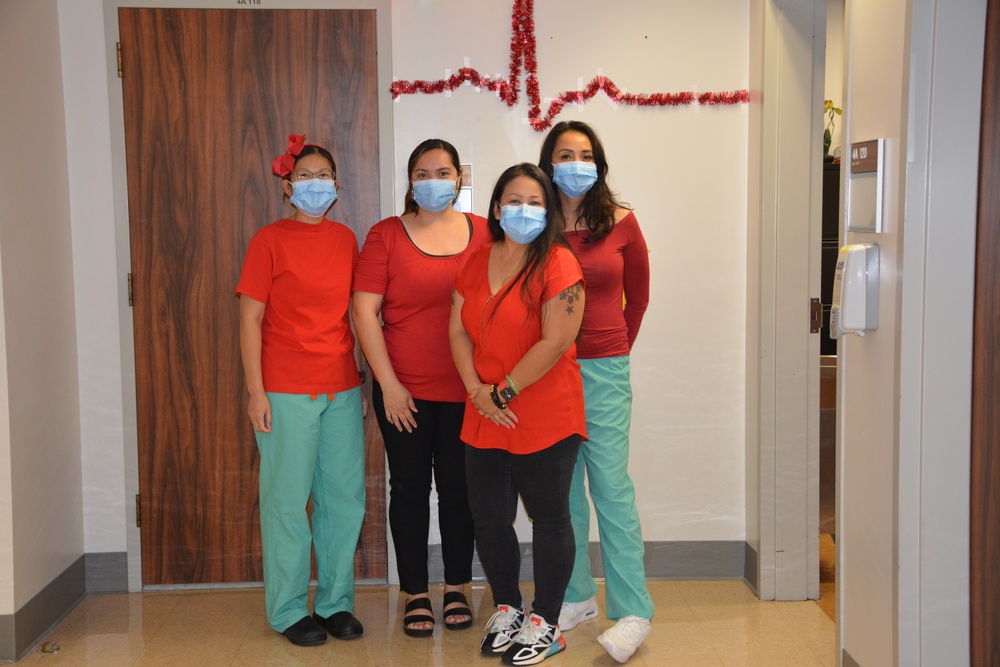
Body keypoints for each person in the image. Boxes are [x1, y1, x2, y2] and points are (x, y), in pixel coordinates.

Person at [449, 163, 586, 666]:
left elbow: (557, 340)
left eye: (534, 202)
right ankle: (508, 607)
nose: (523, 210)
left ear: (547, 211)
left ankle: (547, 623)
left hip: (544, 409)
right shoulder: (475, 260)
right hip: (483, 406)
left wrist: (501, 393)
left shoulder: (558, 264)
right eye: (514, 200)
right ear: (495, 206)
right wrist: (477, 392)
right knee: (489, 518)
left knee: (550, 519)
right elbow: (458, 330)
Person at [353, 139, 491, 637]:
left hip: (469, 390)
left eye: (444, 171)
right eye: (423, 172)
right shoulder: (385, 235)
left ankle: (456, 586)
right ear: (410, 181)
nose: (434, 180)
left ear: (460, 178)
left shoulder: (486, 233)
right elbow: (363, 311)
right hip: (402, 392)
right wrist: (387, 384)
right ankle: (415, 592)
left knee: (461, 492)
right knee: (409, 490)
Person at [237, 134, 366, 647]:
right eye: (305, 176)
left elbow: (357, 314)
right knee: (288, 502)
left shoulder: (346, 240)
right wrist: (255, 391)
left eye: (324, 176)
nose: (315, 184)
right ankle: (289, 609)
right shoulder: (268, 241)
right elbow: (250, 316)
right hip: (284, 390)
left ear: (337, 185)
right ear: (288, 185)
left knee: (342, 502)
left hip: (341, 387)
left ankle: (335, 604)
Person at [537, 120, 653, 664]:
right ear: (549, 162)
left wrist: (611, 349)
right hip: (549, 370)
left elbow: (640, 296)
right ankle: (578, 596)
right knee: (561, 492)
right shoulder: (535, 226)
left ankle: (633, 610)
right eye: (565, 154)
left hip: (604, 368)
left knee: (610, 487)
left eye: (585, 154)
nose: (576, 163)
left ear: (599, 163)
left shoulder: (623, 223)